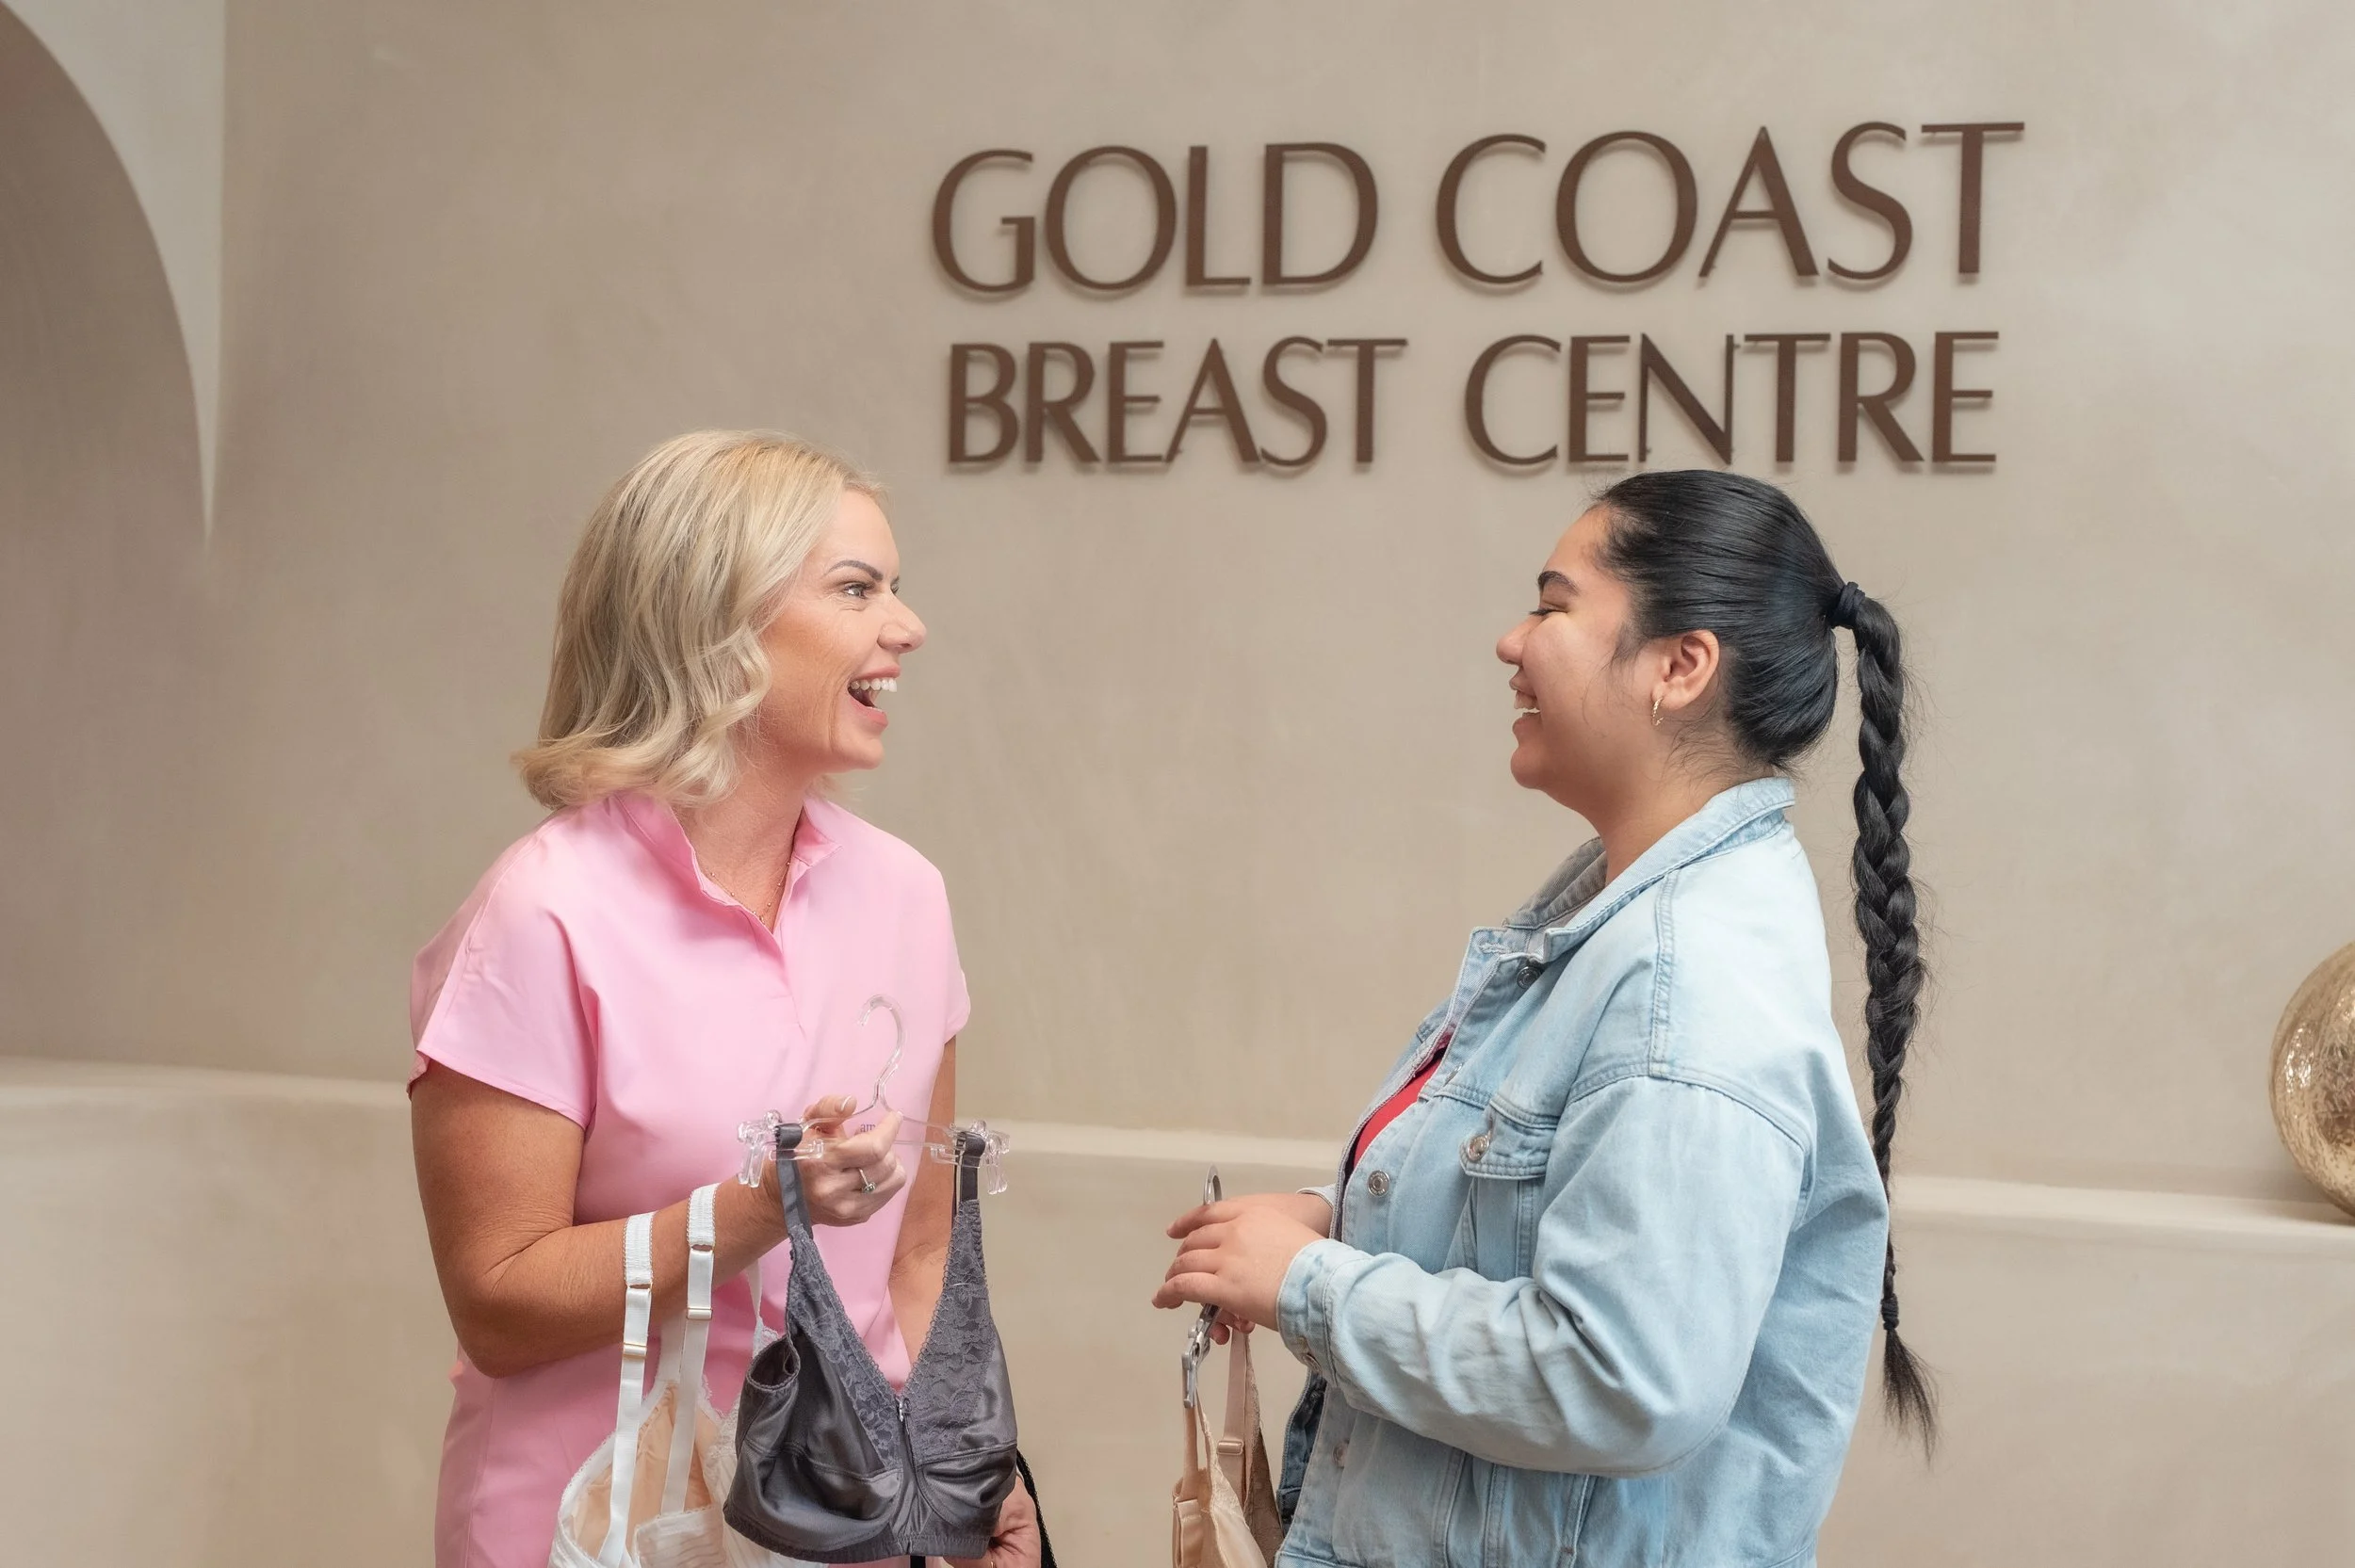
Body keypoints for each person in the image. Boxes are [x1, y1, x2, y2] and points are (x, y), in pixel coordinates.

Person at [1156, 470, 1931, 1567]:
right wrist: (1350, 1219)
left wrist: (1306, 1285)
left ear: (1679, 666)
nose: (1510, 641)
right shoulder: (1624, 924)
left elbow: (1622, 1378)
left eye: (1553, 605)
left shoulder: (1684, 984)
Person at [408, 431, 1038, 1568]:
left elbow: (917, 1259)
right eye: (856, 590)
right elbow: (497, 1304)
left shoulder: (907, 896)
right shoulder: (541, 911)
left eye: (896, 588)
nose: (906, 627)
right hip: (588, 1527)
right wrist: (758, 1209)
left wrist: (963, 1475)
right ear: (713, 626)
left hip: (844, 1531)